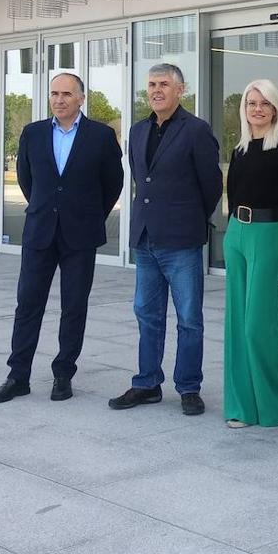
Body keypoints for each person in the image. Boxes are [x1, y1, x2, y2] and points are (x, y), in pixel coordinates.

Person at [0, 73, 123, 404]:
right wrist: (46, 208)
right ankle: (18, 376)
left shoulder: (101, 136)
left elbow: (112, 184)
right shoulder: (33, 133)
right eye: (54, 94)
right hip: (40, 232)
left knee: (74, 306)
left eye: (66, 94)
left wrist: (88, 214)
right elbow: (26, 179)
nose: (59, 99)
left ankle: (63, 374)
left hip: (81, 235)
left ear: (81, 98)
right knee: (28, 305)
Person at [109, 63, 222, 416]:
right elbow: (143, 183)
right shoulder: (138, 130)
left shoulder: (197, 131)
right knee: (147, 314)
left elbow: (212, 187)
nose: (156, 90)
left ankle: (189, 386)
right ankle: (147, 383)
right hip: (145, 239)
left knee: (189, 318)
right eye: (152, 84)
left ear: (180, 90)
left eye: (164, 84)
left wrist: (188, 218)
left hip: (181, 241)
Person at [222, 78, 278, 428]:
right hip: (237, 235)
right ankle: (242, 406)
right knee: (236, 326)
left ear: (274, 109)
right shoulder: (239, 150)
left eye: (264, 103)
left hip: (269, 236)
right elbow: (232, 193)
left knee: (259, 325)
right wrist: (230, 234)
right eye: (251, 103)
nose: (257, 109)